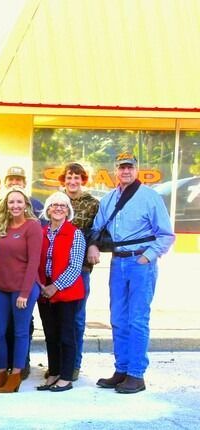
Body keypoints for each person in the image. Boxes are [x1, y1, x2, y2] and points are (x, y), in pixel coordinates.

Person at [88, 153, 175, 394]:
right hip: (118, 263)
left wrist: (147, 256)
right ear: (115, 170)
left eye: (130, 167)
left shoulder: (150, 197)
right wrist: (93, 245)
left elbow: (166, 235)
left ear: (136, 170)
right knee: (118, 318)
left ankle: (136, 374)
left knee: (137, 319)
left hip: (141, 263)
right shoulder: (108, 199)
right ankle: (122, 369)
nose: (125, 171)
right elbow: (96, 228)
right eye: (121, 167)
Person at [0, 187, 41, 393]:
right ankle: (2, 372)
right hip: (1, 288)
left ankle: (16, 374)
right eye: (11, 202)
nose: (15, 205)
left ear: (26, 204)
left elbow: (34, 261)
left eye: (19, 202)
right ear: (6, 205)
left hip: (23, 288)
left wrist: (25, 293)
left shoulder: (32, 226)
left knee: (20, 332)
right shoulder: (2, 226)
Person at [36, 192, 86, 393]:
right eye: (54, 205)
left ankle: (66, 377)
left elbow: (75, 266)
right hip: (44, 292)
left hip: (66, 292)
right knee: (50, 335)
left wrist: (55, 286)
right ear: (48, 210)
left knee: (66, 335)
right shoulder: (41, 232)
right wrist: (42, 286)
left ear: (68, 210)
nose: (58, 208)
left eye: (63, 205)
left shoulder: (75, 234)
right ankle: (54, 373)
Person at [58, 162, 99, 380]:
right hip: (56, 267)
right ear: (63, 180)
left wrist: (94, 244)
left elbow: (98, 230)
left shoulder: (92, 203)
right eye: (69, 177)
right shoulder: (57, 201)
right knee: (57, 318)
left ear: (83, 180)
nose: (73, 181)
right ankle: (57, 364)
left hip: (80, 268)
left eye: (77, 177)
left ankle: (73, 365)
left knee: (76, 318)